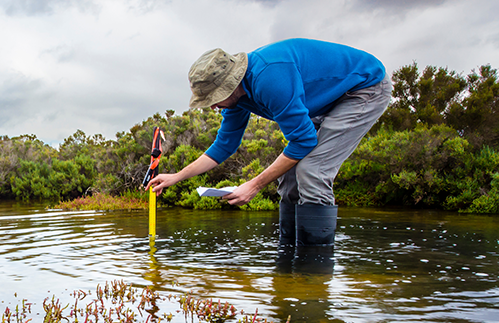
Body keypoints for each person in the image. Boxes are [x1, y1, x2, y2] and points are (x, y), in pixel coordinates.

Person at [146, 38, 392, 246]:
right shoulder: (237, 99)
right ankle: (288, 262)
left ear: (231, 84)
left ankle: (313, 272)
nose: (212, 105)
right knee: (290, 175)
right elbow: (225, 145)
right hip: (326, 100)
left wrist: (254, 185)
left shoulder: (270, 78)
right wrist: (177, 176)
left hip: (363, 89)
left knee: (311, 170)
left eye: (215, 97)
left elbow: (303, 141)